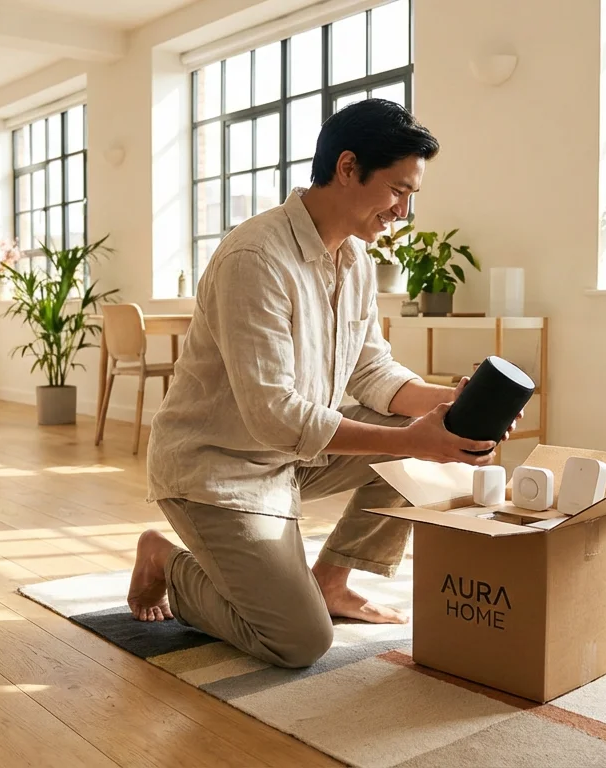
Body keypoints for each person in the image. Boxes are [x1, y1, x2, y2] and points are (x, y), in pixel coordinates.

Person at [128, 99, 517, 669]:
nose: (404, 211)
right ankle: (167, 560)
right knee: (299, 642)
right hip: (218, 468)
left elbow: (371, 371)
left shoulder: (354, 260)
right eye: (397, 191)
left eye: (412, 196)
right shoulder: (255, 258)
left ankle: (330, 580)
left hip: (290, 457)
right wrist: (414, 441)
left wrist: (447, 405)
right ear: (348, 167)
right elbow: (274, 416)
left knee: (431, 437)